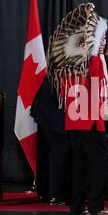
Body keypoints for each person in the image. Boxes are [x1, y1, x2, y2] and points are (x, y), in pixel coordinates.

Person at [47, 4, 108, 215]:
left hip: (73, 120)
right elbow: (98, 92)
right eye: (103, 39)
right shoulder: (94, 61)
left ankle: (77, 205)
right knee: (98, 161)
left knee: (79, 162)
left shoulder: (72, 64)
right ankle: (96, 206)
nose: (104, 42)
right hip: (90, 120)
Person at [31, 76, 72, 206]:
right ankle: (56, 195)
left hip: (47, 112)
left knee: (49, 153)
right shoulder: (64, 69)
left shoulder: (59, 65)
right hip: (52, 115)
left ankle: (46, 192)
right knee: (61, 151)